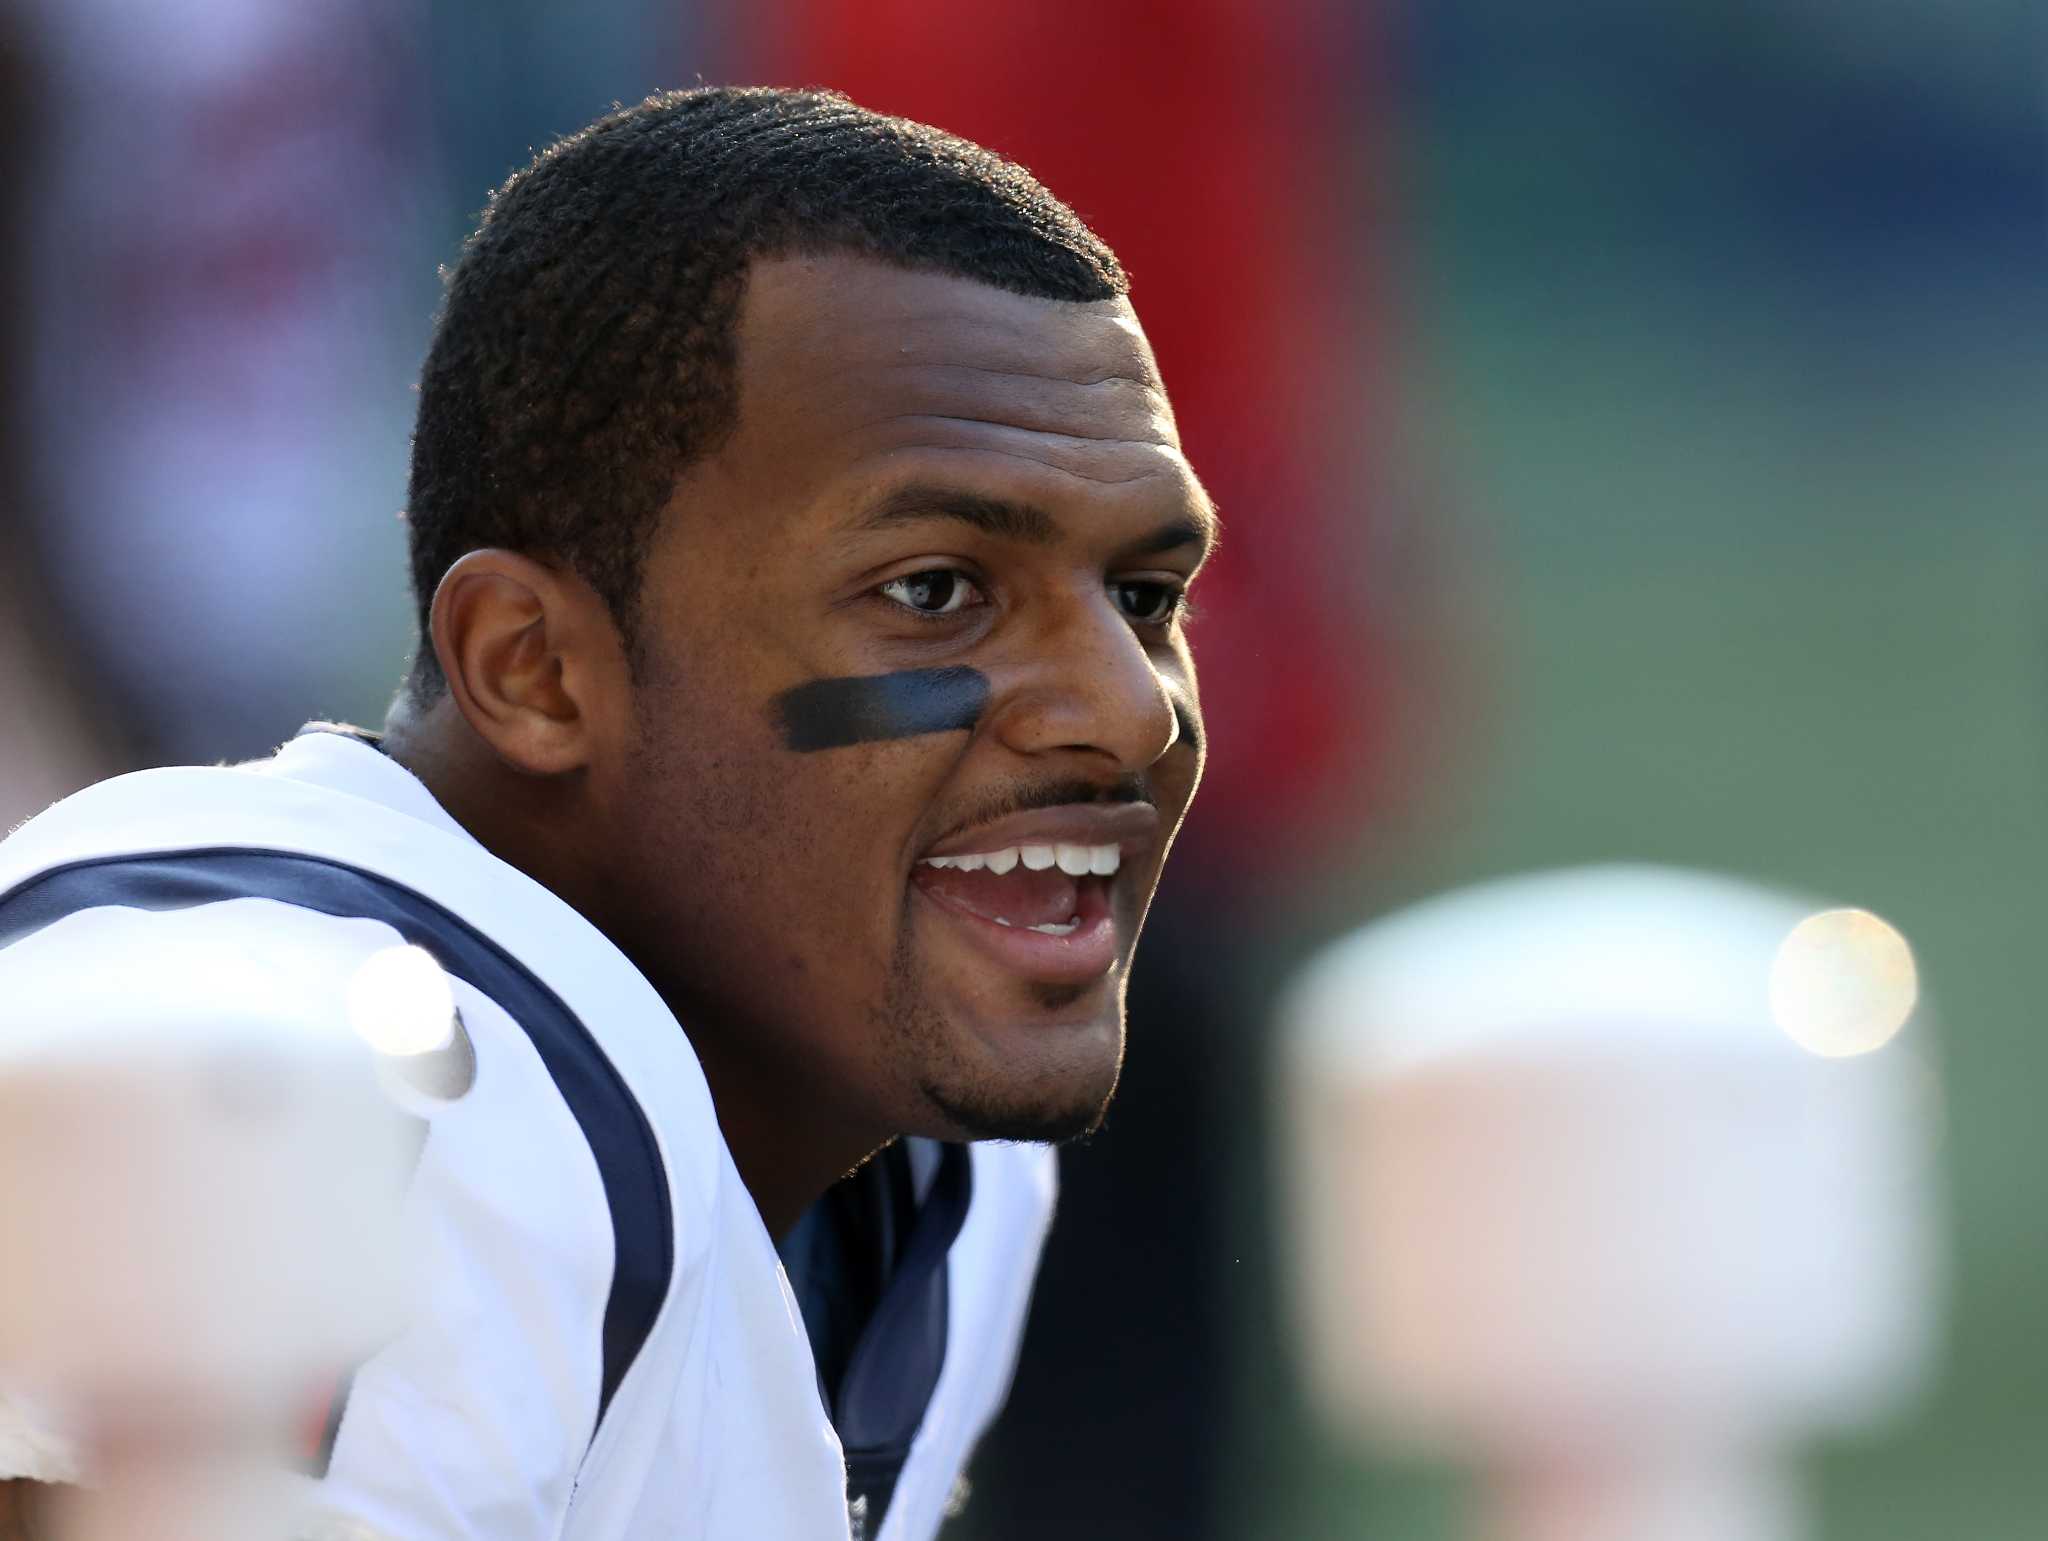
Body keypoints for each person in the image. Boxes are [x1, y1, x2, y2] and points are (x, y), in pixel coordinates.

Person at [0, 85, 1213, 1541]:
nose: (1132, 706)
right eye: (933, 591)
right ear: (535, 667)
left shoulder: (937, 1144)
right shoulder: (333, 1071)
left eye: (1142, 598)